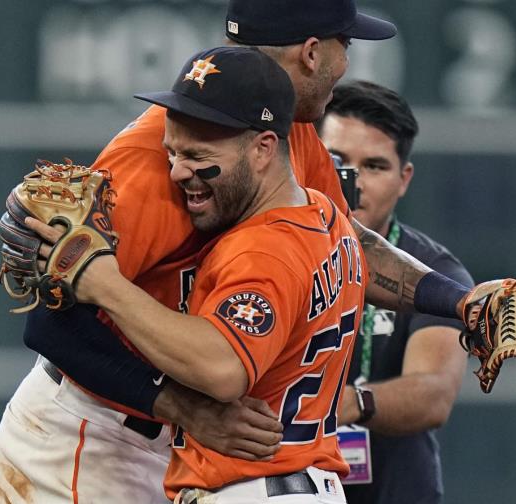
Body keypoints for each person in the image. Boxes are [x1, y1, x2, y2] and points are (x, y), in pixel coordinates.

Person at [0, 0, 483, 502]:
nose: (346, 63)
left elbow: (345, 245)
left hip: (189, 439)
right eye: (346, 44)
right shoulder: (154, 167)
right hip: (95, 435)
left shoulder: (287, 134)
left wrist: (461, 303)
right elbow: (50, 324)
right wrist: (182, 407)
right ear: (312, 52)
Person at [28, 45, 366, 503]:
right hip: (295, 483)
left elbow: (222, 369)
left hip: (253, 488)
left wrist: (103, 283)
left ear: (264, 147)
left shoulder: (263, 249)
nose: (177, 171)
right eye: (170, 152)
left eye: (197, 154)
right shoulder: (325, 215)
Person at [316, 81, 473, 504]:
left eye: (374, 166)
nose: (354, 181)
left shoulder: (437, 273)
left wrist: (348, 403)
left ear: (404, 179)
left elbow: (434, 394)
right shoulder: (266, 250)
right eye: (336, 160)